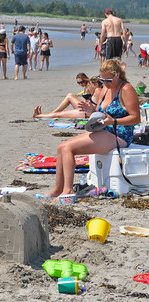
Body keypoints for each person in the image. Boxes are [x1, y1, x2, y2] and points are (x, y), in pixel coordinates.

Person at [44, 59, 140, 198]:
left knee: (68, 148)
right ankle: (58, 190)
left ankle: (68, 191)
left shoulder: (126, 89)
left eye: (109, 80)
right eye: (103, 79)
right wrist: (91, 111)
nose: (105, 83)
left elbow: (136, 118)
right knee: (62, 147)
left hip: (120, 134)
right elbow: (99, 111)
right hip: (104, 130)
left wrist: (113, 121)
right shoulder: (105, 89)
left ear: (117, 75)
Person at [33, 73, 102, 119]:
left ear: (95, 84)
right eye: (78, 83)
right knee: (60, 114)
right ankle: (42, 115)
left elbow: (99, 108)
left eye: (91, 84)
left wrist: (90, 108)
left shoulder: (98, 90)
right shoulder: (98, 90)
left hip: (86, 113)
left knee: (59, 114)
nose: (90, 85)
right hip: (86, 110)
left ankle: (39, 115)